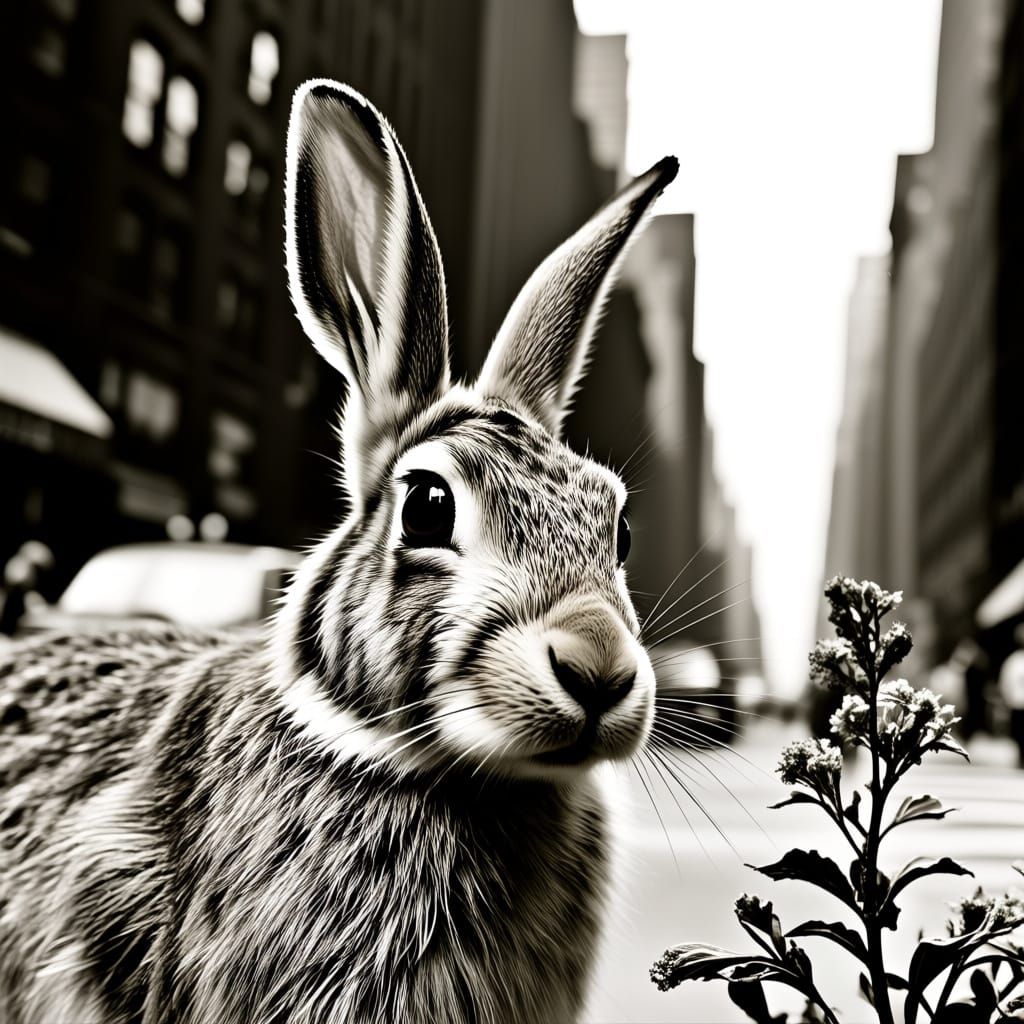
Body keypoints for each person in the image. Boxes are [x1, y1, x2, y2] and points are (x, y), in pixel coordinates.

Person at [997, 623, 1024, 768]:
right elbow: (1006, 683)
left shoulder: (1012, 660)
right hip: (1017, 704)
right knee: (1018, 733)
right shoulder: (1013, 661)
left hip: (1017, 703)